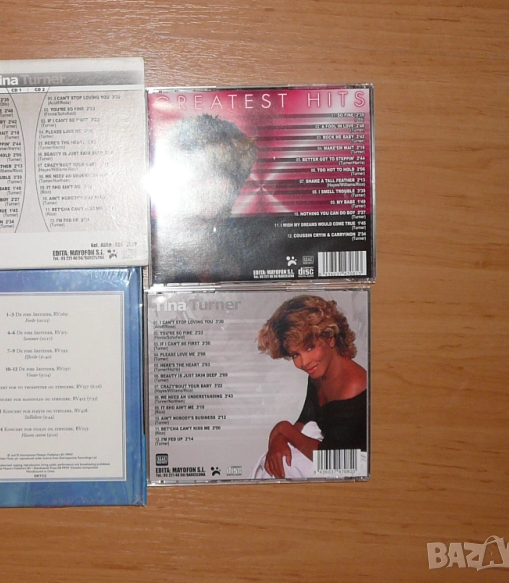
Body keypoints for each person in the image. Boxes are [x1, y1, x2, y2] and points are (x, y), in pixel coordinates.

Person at [255, 295, 367, 478]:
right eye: (295, 355)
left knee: (280, 467)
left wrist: (283, 429)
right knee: (271, 462)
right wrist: (278, 440)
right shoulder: (318, 376)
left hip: (353, 466)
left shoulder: (354, 386)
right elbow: (306, 419)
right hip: (330, 455)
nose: (304, 362)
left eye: (309, 347)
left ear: (330, 337)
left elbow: (331, 458)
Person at [147, 114, 258, 283]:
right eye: (199, 172)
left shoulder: (246, 246)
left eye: (223, 173)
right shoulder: (151, 250)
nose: (210, 185)